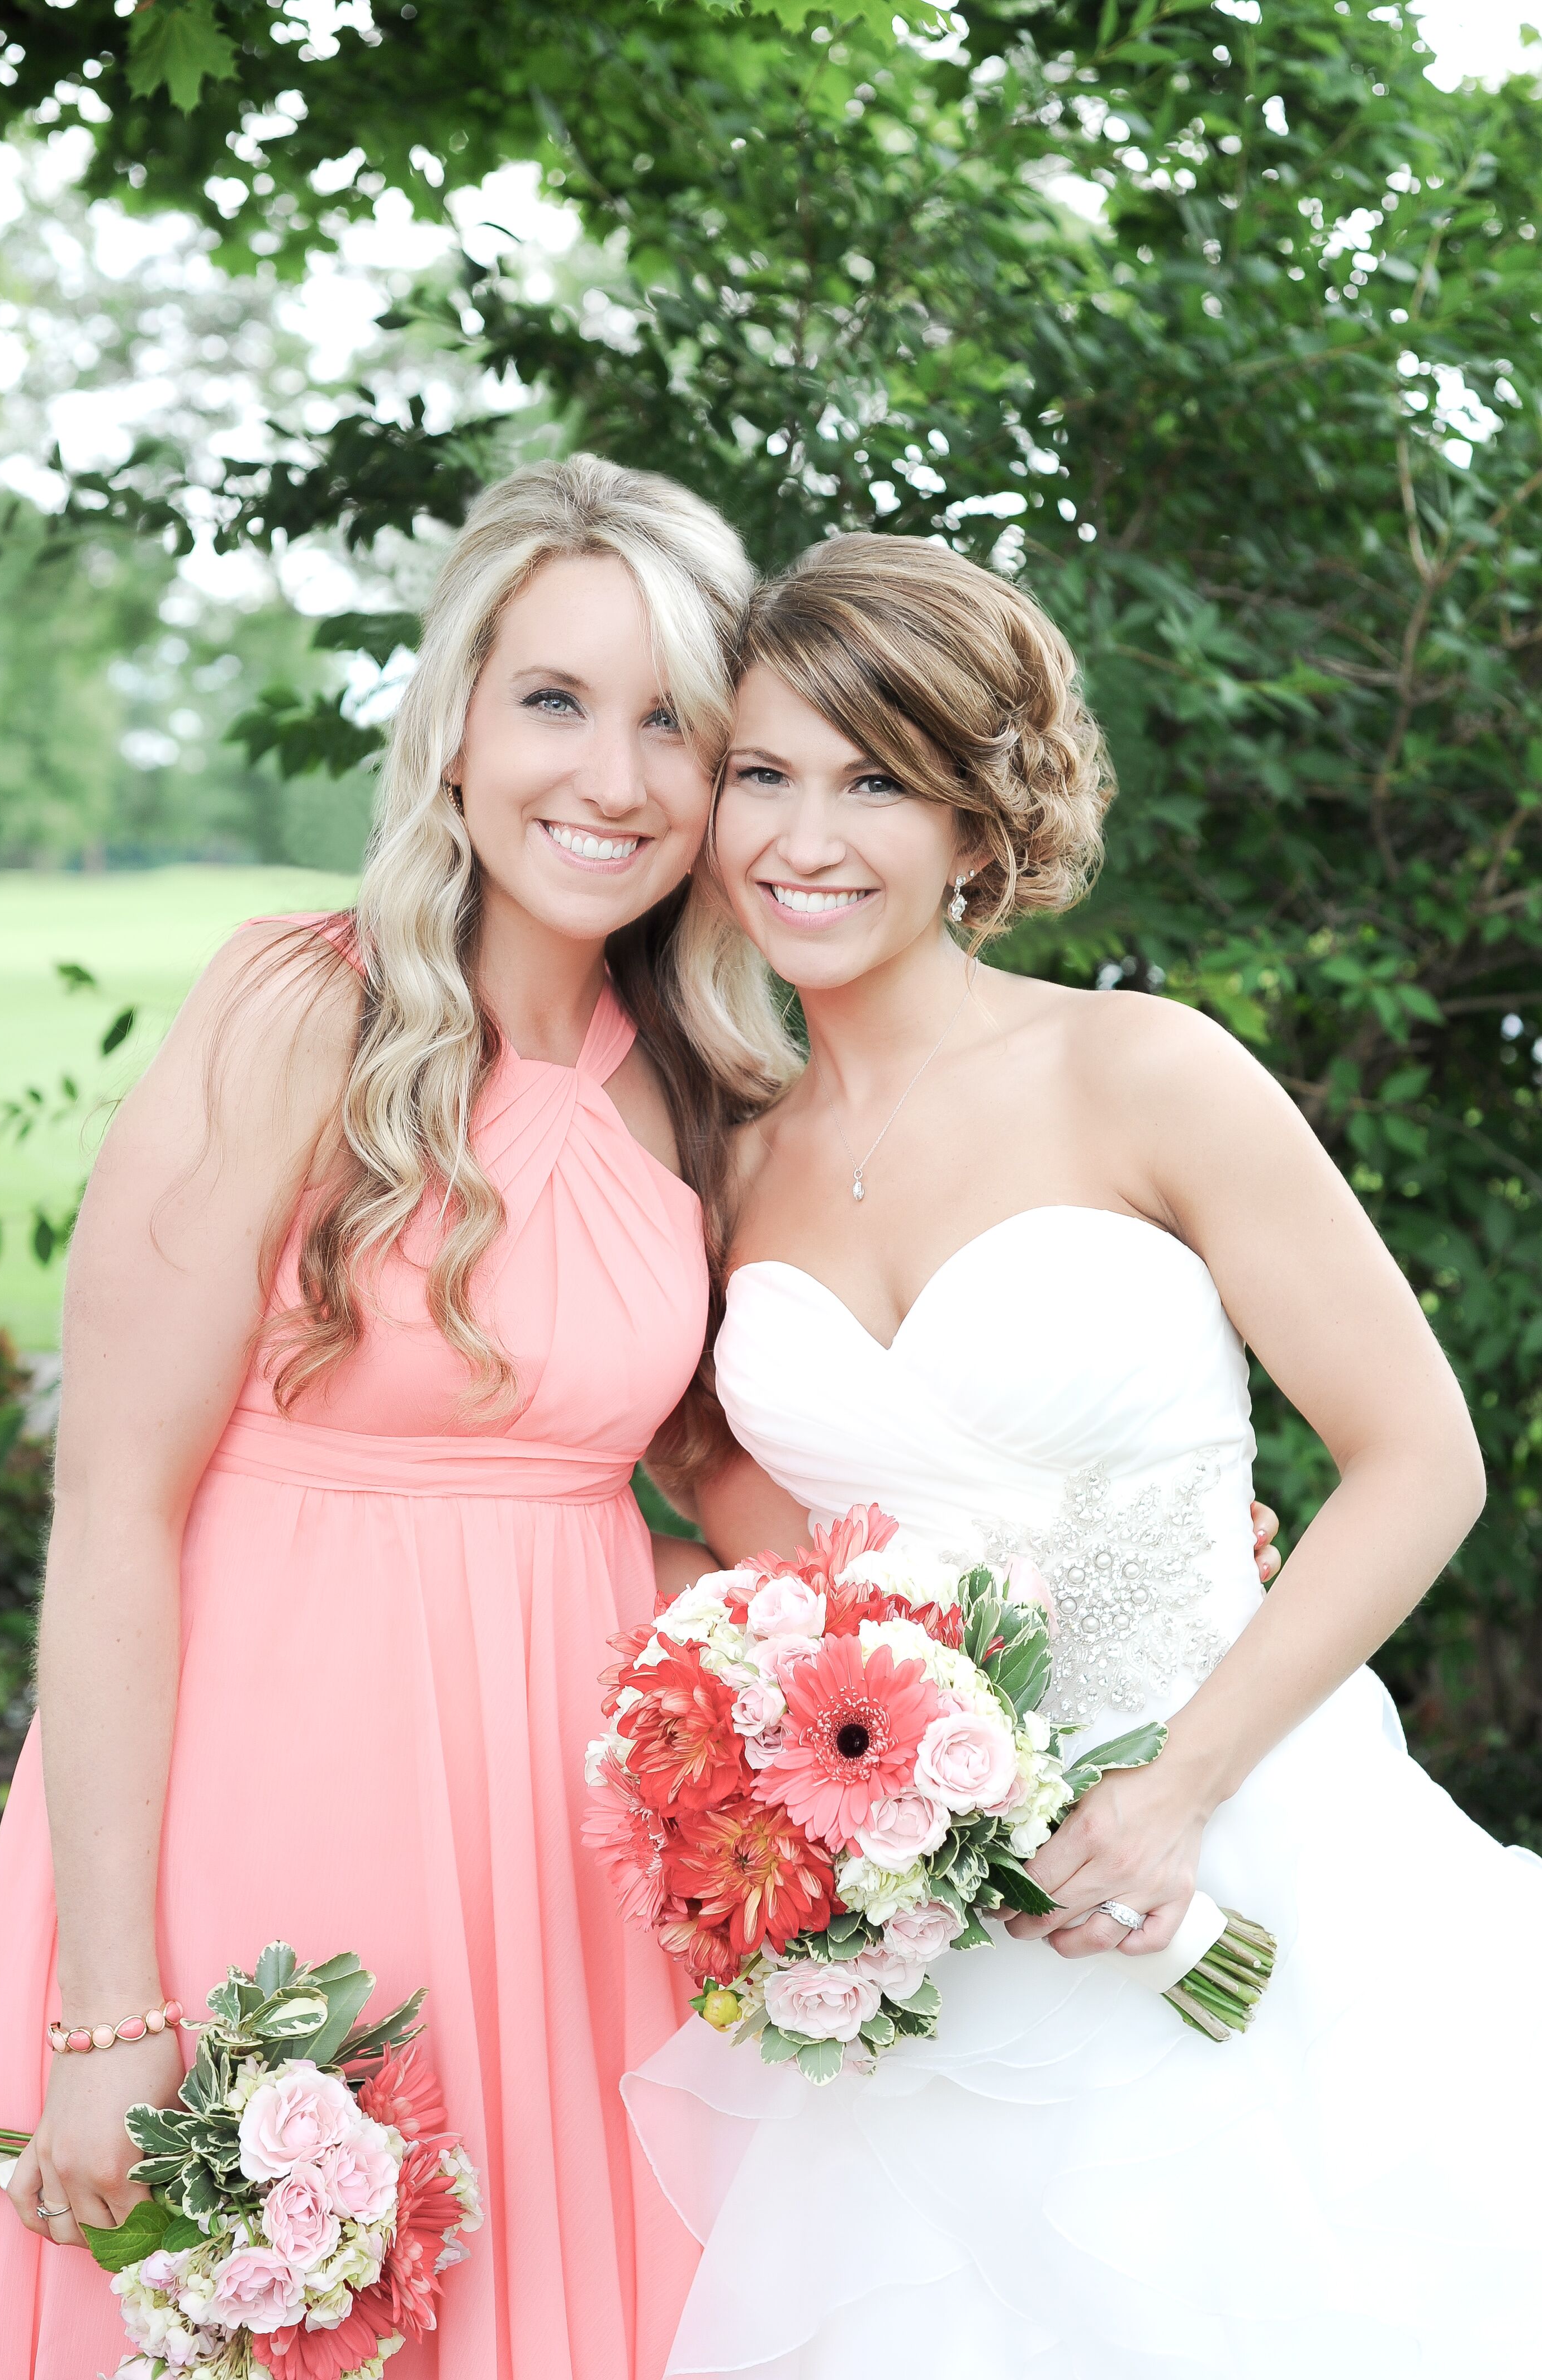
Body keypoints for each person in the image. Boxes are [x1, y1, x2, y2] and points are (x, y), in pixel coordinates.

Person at [626, 532, 1542, 2376]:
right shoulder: (718, 1159)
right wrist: (828, 1755)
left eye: (877, 780)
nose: (804, 838)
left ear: (981, 826)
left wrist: (1177, 1787)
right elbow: (750, 1527)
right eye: (763, 776)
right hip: (942, 1925)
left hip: (1253, 1839)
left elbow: (1421, 1458)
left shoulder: (1143, 1071)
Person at [0, 455, 798, 2380]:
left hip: (577, 1871)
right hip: (269, 1814)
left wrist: (1044, 1578)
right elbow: (110, 1520)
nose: (612, 777)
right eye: (555, 702)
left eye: (672, 720)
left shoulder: (699, 1081)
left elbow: (707, 1489)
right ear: (453, 727)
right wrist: (110, 2006)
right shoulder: (297, 1013)